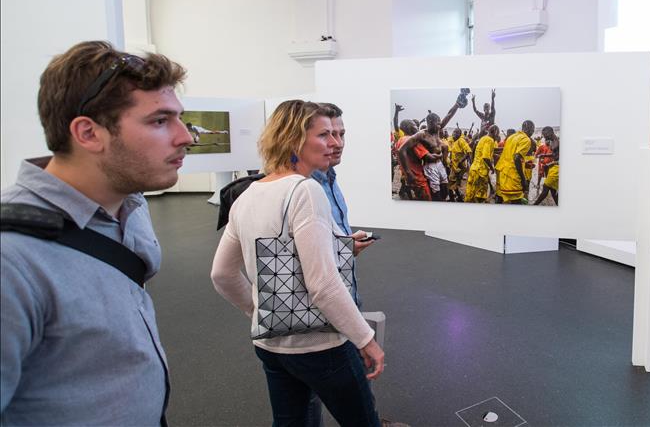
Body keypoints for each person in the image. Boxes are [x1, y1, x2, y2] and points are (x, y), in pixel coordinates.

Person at [1, 41, 191, 424]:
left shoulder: (130, 205)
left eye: (179, 119)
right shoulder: (11, 259)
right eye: (159, 121)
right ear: (88, 133)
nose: (185, 136)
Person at [211, 100, 384, 426]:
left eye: (337, 134)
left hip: (270, 344)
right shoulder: (306, 190)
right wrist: (366, 339)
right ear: (293, 139)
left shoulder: (246, 195)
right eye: (323, 135)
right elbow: (323, 284)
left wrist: (259, 309)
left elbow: (221, 274)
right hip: (321, 345)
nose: (335, 143)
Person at [495, 120, 535, 204]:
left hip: (503, 173)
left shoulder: (511, 137)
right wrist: (523, 179)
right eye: (533, 130)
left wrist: (524, 164)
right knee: (516, 201)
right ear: (531, 129)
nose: (533, 132)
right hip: (512, 175)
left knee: (500, 197)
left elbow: (510, 155)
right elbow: (516, 157)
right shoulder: (526, 139)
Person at [464, 125, 500, 203]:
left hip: (474, 168)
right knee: (479, 195)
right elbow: (486, 157)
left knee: (471, 193)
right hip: (480, 171)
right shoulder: (490, 140)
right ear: (495, 132)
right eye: (497, 133)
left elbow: (485, 152)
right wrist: (492, 168)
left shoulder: (483, 138)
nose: (497, 136)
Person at [534, 126, 560, 206]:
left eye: (545, 135)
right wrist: (544, 155)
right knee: (552, 190)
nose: (544, 137)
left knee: (545, 188)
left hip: (556, 168)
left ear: (550, 133)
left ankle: (534, 205)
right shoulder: (552, 142)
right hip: (553, 167)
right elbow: (554, 154)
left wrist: (554, 163)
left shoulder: (558, 143)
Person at [446, 128, 471, 202]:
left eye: (456, 132)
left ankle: (453, 198)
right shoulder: (454, 141)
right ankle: (459, 198)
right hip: (454, 167)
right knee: (453, 183)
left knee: (451, 183)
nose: (454, 133)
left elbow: (468, 152)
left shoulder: (461, 141)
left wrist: (460, 161)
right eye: (453, 132)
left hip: (459, 167)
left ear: (460, 134)